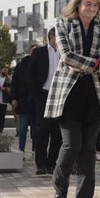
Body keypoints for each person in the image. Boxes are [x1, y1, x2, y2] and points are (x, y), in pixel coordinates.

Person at [45, 0, 100, 198]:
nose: (92, 9)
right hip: (68, 95)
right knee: (71, 145)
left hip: (96, 95)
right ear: (77, 4)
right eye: (88, 4)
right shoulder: (63, 23)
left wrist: (99, 63)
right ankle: (59, 181)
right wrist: (96, 64)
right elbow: (67, 57)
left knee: (89, 151)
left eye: (96, 5)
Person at [29, 28, 62, 175]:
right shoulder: (39, 52)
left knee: (57, 133)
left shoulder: (65, 54)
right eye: (59, 36)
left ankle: (51, 163)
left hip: (59, 96)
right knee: (42, 130)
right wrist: (36, 94)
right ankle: (40, 164)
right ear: (51, 37)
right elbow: (30, 75)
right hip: (43, 95)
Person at [11, 48, 34, 152]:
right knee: (23, 126)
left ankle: (35, 149)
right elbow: (14, 83)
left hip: (36, 101)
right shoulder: (20, 66)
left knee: (36, 128)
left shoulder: (41, 65)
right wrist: (14, 98)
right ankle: (21, 148)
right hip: (23, 100)